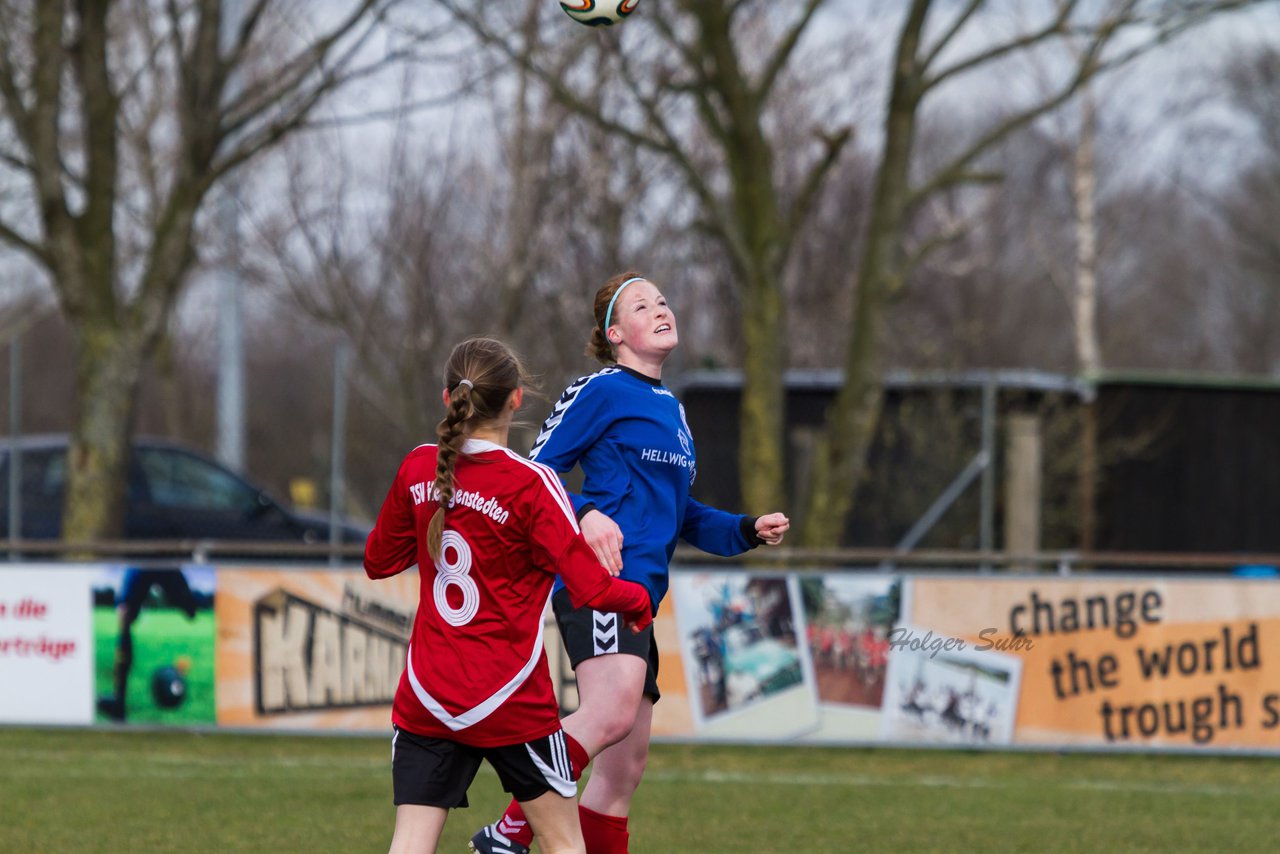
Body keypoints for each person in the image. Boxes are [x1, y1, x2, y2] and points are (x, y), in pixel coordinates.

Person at [471, 273, 790, 854]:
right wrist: (586, 514)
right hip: (601, 583)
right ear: (615, 333)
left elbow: (683, 514)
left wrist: (746, 529)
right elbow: (532, 476)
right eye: (642, 306)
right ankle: (507, 833)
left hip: (642, 597)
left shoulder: (673, 411)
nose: (660, 309)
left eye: (663, 301)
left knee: (621, 774)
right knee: (610, 713)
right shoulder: (601, 390)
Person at [364, 337, 655, 854]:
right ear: (517, 399)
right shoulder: (534, 484)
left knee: (409, 844)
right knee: (563, 842)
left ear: (447, 397)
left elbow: (378, 561)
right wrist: (636, 603)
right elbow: (590, 588)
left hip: (429, 694)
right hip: (510, 699)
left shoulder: (418, 467)